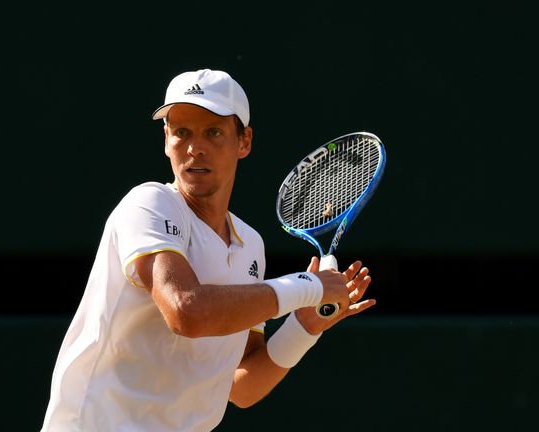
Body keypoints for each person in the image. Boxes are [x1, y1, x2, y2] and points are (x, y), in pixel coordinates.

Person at [40, 69, 375, 431]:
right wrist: (307, 288)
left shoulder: (250, 247)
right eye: (181, 132)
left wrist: (304, 326)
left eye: (213, 132)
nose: (194, 147)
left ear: (243, 142)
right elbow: (187, 312)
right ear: (166, 139)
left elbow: (241, 387)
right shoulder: (148, 204)